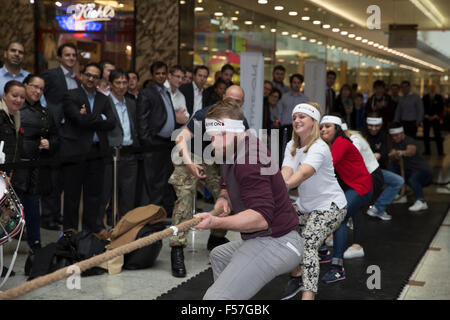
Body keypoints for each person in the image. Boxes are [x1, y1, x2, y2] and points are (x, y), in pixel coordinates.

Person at [194, 99, 304, 300]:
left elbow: (260, 219)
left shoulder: (249, 159)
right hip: (264, 237)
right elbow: (227, 181)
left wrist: (215, 222)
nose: (214, 143)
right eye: (211, 137)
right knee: (219, 255)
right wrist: (223, 196)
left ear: (237, 130)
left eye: (220, 136)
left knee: (215, 298)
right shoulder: (231, 148)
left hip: (279, 241)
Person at [169, 86, 248, 278]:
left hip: (217, 161)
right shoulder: (206, 114)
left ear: (242, 103)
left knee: (229, 200)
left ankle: (216, 237)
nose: (232, 103)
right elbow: (181, 138)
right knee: (185, 198)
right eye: (229, 99)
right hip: (191, 155)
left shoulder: (240, 120)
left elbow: (238, 151)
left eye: (237, 101)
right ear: (222, 97)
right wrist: (189, 164)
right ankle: (177, 247)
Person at [280, 102, 347, 300]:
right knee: (280, 225)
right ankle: (297, 274)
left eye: (302, 117)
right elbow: (286, 172)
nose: (297, 120)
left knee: (308, 243)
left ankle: (308, 295)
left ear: (314, 122)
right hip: (307, 206)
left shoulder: (319, 148)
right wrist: (277, 189)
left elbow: (301, 174)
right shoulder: (292, 145)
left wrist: (280, 189)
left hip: (330, 207)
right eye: (294, 117)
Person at [59, 62, 116, 237]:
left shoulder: (104, 99)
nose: (91, 79)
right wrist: (99, 118)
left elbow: (111, 122)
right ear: (82, 75)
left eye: (95, 76)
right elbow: (77, 119)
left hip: (97, 152)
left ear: (99, 79)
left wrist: (88, 116)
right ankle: (70, 231)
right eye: (88, 75)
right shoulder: (71, 95)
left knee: (94, 194)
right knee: (72, 194)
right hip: (75, 152)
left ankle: (92, 229)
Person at [319, 115, 373, 283]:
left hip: (361, 187)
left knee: (338, 217)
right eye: (321, 127)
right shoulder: (330, 144)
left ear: (337, 129)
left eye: (328, 126)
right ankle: (323, 252)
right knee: (331, 212)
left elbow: (329, 165)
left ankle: (337, 268)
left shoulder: (341, 142)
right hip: (350, 187)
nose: (323, 130)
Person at [12, 75, 58, 253]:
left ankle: (35, 241)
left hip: (36, 168)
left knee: (32, 206)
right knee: (9, 209)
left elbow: (56, 136)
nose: (37, 91)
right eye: (34, 87)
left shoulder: (46, 113)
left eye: (41, 88)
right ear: (25, 86)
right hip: (14, 168)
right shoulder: (13, 109)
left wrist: (50, 143)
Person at [40, 42, 80, 230]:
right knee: (53, 177)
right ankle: (48, 216)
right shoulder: (51, 75)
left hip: (71, 134)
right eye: (67, 55)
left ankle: (57, 215)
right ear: (60, 58)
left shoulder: (77, 80)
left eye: (73, 55)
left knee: (64, 178)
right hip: (54, 130)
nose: (71, 58)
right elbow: (39, 93)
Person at [137, 61, 179, 215]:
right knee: (153, 182)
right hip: (153, 144)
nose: (160, 76)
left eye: (163, 73)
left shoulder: (165, 92)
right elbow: (141, 121)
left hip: (166, 144)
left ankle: (160, 213)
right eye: (157, 73)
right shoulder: (146, 93)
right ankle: (150, 215)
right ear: (152, 75)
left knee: (164, 181)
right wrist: (147, 142)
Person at [99, 69, 140, 227]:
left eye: (124, 82)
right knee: (105, 193)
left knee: (128, 196)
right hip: (111, 154)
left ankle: (124, 228)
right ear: (110, 84)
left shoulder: (131, 102)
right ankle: (99, 228)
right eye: (118, 83)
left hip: (129, 153)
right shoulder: (104, 102)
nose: (122, 86)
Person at [341, 121, 384, 259]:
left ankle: (357, 246)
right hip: (356, 177)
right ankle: (337, 237)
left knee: (354, 207)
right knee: (349, 207)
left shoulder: (354, 140)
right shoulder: (341, 140)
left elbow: (349, 155)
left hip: (370, 176)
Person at [362, 113, 404, 220]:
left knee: (398, 181)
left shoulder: (384, 135)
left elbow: (385, 151)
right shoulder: (360, 134)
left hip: (375, 171)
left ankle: (377, 208)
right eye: (371, 125)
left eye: (377, 126)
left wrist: (380, 154)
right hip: (360, 172)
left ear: (381, 125)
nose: (374, 128)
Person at [388, 122, 433, 212]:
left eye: (396, 135)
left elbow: (411, 151)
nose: (394, 138)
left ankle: (421, 201)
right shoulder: (395, 142)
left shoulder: (409, 140)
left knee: (414, 178)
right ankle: (401, 195)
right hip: (409, 171)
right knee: (392, 166)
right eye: (392, 136)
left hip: (423, 172)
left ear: (402, 133)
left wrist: (402, 152)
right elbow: (392, 154)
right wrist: (393, 155)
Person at [277, 73, 309, 164]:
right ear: (291, 83)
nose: (296, 85)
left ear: (301, 84)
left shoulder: (305, 99)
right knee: (283, 149)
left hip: (299, 128)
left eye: (298, 83)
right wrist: (278, 122)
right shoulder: (284, 97)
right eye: (294, 82)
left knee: (297, 150)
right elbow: (279, 111)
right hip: (285, 127)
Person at [422, 83, 444, 156]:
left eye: (434, 87)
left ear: (436, 89)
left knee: (438, 135)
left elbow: (441, 108)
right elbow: (422, 107)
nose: (432, 89)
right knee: (426, 135)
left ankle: (440, 152)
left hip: (435, 118)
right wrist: (426, 115)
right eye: (431, 87)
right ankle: (427, 151)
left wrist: (436, 116)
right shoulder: (425, 97)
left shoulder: (439, 97)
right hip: (426, 118)